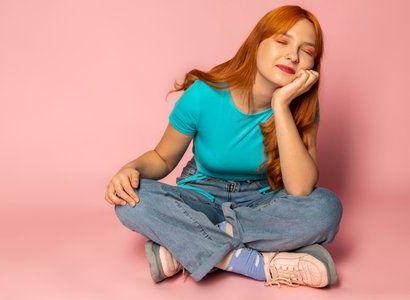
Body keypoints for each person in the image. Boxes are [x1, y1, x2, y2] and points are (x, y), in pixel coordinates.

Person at [105, 5, 343, 288]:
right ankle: (252, 262)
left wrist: (281, 106)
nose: (293, 55)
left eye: (307, 51)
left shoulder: (302, 107)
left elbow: (301, 189)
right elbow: (162, 158)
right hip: (201, 198)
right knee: (131, 200)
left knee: (326, 208)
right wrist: (129, 169)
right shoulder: (205, 94)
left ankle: (186, 247)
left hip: (261, 202)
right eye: (282, 41)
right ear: (257, 43)